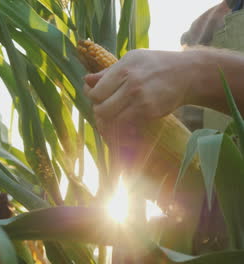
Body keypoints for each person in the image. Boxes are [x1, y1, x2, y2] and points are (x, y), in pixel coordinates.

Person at [83, 0, 244, 255]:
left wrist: (197, 72)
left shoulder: (196, 59)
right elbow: (190, 191)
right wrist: (144, 150)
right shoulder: (202, 30)